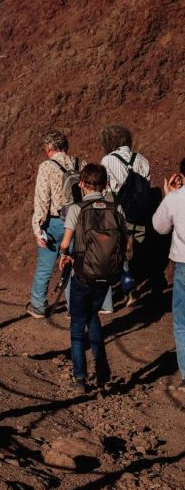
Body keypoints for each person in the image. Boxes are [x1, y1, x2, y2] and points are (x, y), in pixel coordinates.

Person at [57, 164, 121, 391]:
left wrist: (64, 255)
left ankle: (79, 377)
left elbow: (65, 243)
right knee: (93, 316)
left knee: (77, 324)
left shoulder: (77, 208)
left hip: (83, 275)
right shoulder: (116, 208)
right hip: (107, 275)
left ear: (82, 184)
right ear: (105, 185)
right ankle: (102, 373)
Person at [99, 124, 153, 311]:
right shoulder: (142, 160)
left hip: (118, 214)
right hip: (140, 214)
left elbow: (105, 189)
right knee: (137, 250)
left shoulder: (107, 160)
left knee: (116, 253)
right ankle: (139, 288)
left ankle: (127, 288)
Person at [28, 131, 81, 318]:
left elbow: (42, 199)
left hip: (54, 222)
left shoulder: (47, 166)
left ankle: (38, 306)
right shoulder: (79, 164)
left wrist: (38, 228)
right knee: (72, 266)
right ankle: (74, 308)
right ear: (65, 147)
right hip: (76, 222)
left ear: (49, 149)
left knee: (45, 267)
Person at [151, 159, 185, 389]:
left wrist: (168, 195)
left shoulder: (175, 198)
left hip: (183, 264)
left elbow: (159, 226)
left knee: (182, 323)